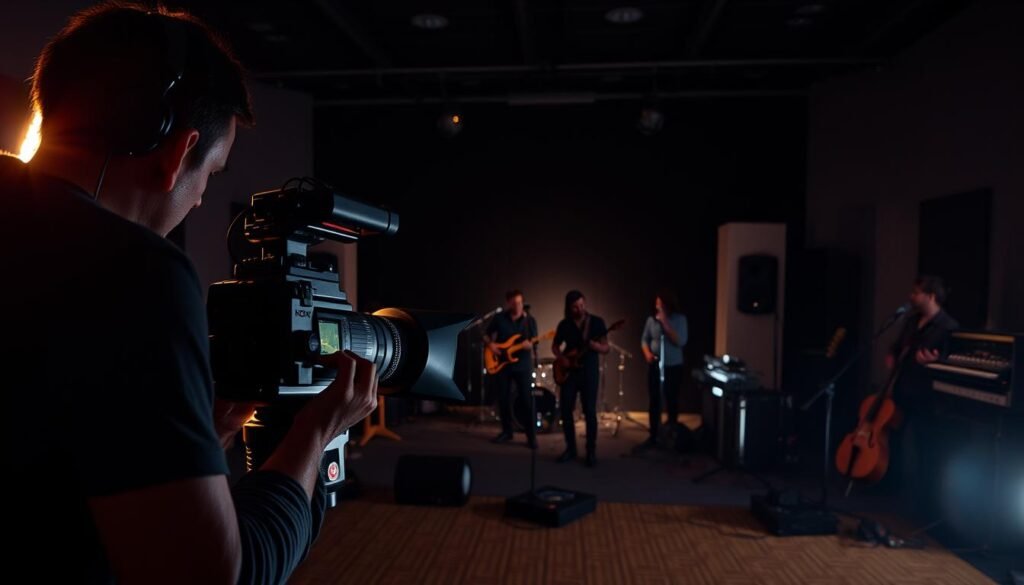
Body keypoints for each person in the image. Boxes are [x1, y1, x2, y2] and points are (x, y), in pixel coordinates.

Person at [1, 4, 377, 583]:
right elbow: (216, 575)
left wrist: (195, 436)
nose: (201, 199)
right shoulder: (138, 274)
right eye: (212, 173)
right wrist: (315, 433)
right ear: (178, 153)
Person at [883, 275, 958, 506]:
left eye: (916, 292)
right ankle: (891, 487)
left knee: (924, 445)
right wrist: (892, 355)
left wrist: (933, 363)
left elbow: (951, 363)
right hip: (903, 389)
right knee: (893, 438)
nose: (911, 296)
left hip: (926, 395)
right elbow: (898, 346)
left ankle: (925, 499)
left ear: (931, 296)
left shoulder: (948, 327)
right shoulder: (912, 321)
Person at [552, 290, 609, 467]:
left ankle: (590, 451)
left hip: (589, 372)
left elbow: (606, 348)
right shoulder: (564, 324)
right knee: (566, 409)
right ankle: (571, 449)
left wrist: (595, 346)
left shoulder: (597, 323)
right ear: (569, 307)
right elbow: (555, 346)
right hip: (570, 373)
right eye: (576, 307)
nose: (580, 309)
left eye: (582, 305)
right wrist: (561, 358)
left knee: (590, 412)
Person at [484, 289, 540, 449]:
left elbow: (535, 342)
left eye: (520, 303)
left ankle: (531, 436)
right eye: (514, 303)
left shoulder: (530, 321)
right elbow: (486, 334)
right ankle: (507, 432)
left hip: (522, 366)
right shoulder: (499, 318)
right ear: (508, 303)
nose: (518, 306)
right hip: (502, 365)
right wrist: (491, 345)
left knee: (526, 401)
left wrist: (530, 346)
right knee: (503, 399)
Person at [639, 288, 689, 448]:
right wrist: (647, 353)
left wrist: (665, 322)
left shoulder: (680, 320)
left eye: (660, 304)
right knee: (654, 400)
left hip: (673, 367)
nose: (657, 307)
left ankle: (672, 434)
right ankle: (653, 435)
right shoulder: (651, 321)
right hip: (655, 365)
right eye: (656, 304)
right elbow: (644, 339)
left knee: (671, 399)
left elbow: (680, 341)